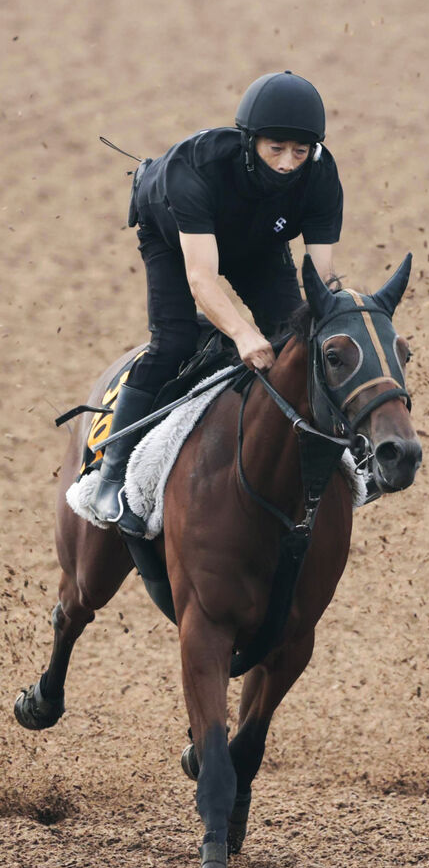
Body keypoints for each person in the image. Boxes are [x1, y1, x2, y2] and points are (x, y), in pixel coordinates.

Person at [87, 71, 344, 536]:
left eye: (300, 152)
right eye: (276, 149)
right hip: (172, 236)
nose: (288, 163)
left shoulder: (322, 176)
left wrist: (330, 321)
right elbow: (201, 277)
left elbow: (322, 280)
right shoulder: (196, 167)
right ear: (250, 142)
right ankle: (109, 476)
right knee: (175, 341)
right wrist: (244, 334)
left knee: (295, 341)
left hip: (259, 243)